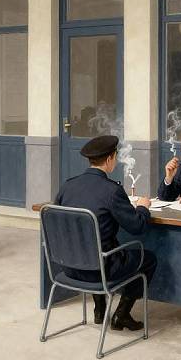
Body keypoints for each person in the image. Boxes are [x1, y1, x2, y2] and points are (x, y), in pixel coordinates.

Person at [54, 135, 156, 331]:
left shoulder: (67, 186)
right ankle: (122, 314)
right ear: (110, 159)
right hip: (99, 271)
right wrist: (143, 207)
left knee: (93, 245)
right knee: (148, 258)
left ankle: (100, 310)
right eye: (115, 157)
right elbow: (137, 227)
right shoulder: (112, 191)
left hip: (68, 267)